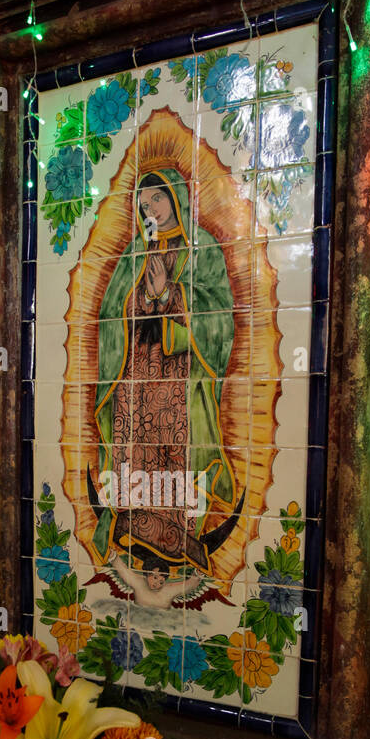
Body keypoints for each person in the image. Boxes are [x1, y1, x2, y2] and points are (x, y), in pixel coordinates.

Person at [91, 167, 238, 576]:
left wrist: (170, 294)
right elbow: (110, 315)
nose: (149, 208)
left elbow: (220, 315)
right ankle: (133, 523)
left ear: (175, 198)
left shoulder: (202, 247)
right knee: (135, 452)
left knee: (176, 458)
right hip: (135, 372)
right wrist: (144, 297)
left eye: (156, 198)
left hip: (179, 376)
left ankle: (179, 535)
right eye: (143, 203)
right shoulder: (134, 253)